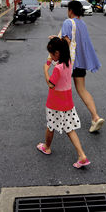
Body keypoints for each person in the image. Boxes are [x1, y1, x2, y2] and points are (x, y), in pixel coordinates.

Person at [36, 37, 90, 169]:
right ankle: (82, 155)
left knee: (50, 126)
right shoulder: (68, 62)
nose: (50, 56)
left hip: (55, 104)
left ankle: (47, 147)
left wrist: (45, 70)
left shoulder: (57, 68)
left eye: (51, 53)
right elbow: (65, 45)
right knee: (69, 129)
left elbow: (51, 84)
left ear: (57, 53)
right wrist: (51, 57)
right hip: (67, 103)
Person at [60, 0, 105, 132]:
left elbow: (66, 42)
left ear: (71, 10)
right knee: (82, 90)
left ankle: (63, 118)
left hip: (69, 62)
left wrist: (55, 43)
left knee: (62, 90)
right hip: (80, 63)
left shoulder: (68, 22)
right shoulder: (83, 24)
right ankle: (95, 117)